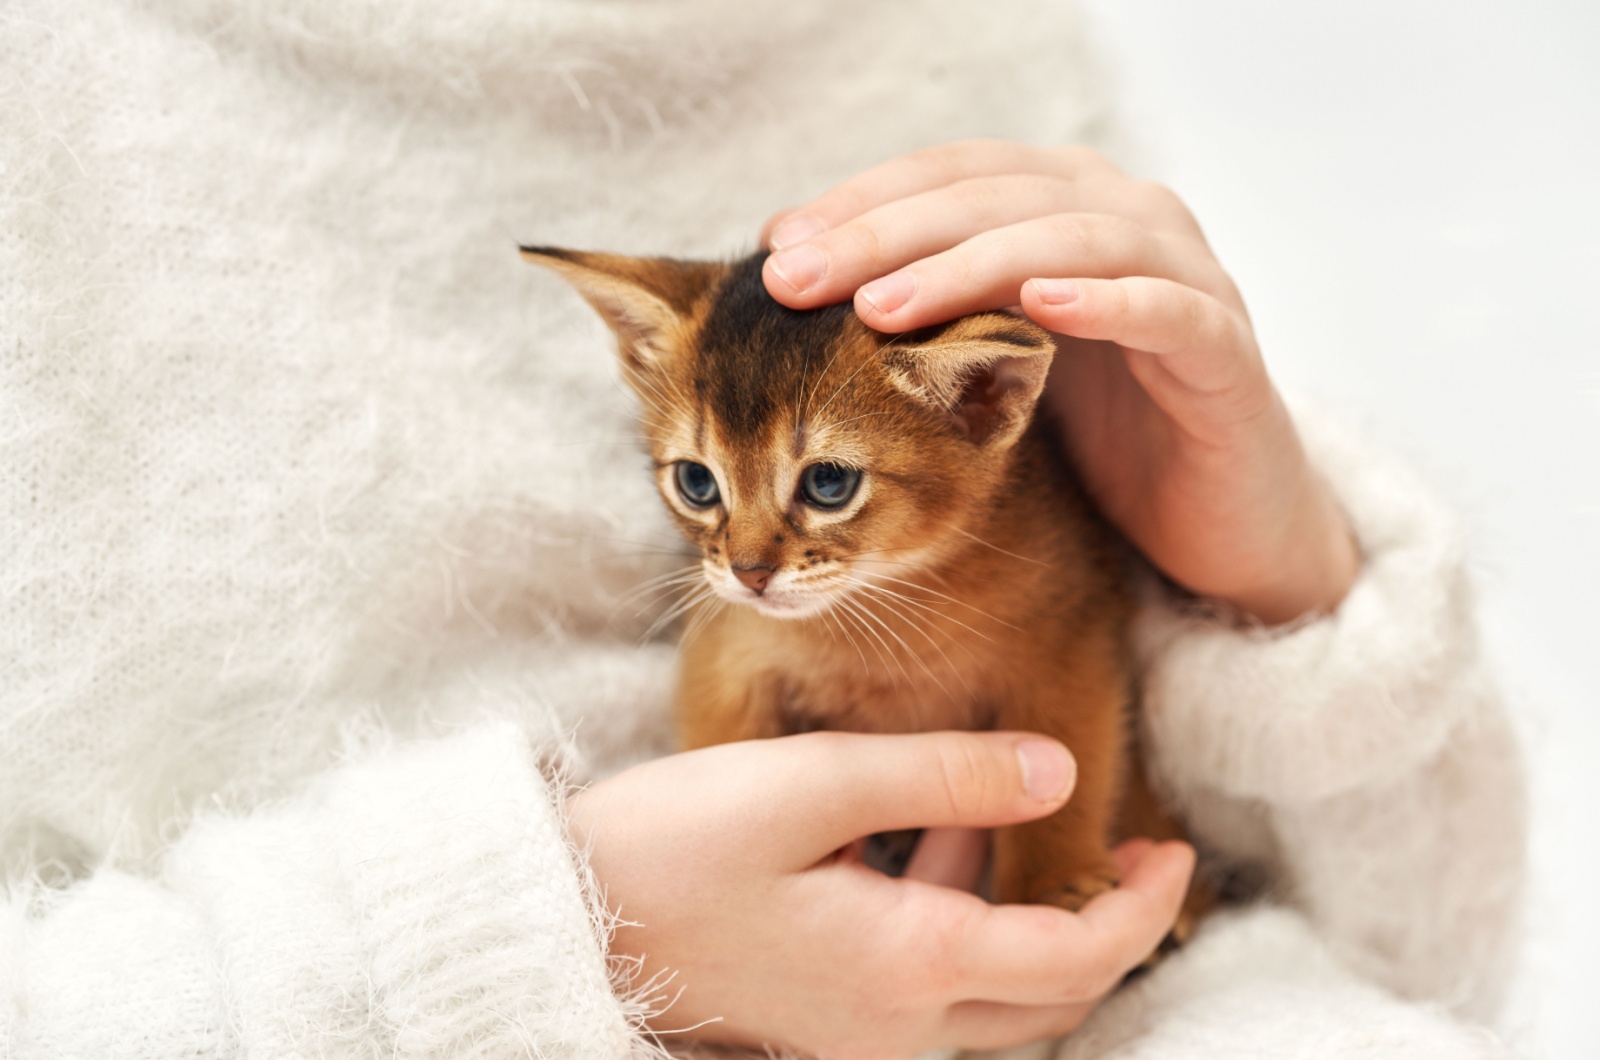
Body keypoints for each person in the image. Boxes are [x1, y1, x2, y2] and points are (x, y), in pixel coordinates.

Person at [0, 2, 1522, 1057]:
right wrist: (557, 949)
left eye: (820, 494)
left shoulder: (975, 40)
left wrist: (1280, 588)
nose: (746, 565)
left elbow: (1398, 957)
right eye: (702, 497)